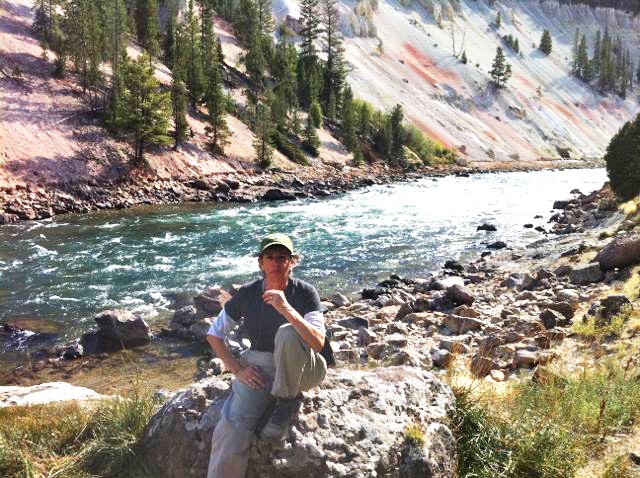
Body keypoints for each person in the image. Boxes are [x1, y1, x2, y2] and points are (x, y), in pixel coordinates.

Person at [206, 233, 327, 478]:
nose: (275, 262)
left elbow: (318, 342)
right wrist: (237, 369)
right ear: (260, 262)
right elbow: (214, 334)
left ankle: (286, 400)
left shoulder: (305, 292)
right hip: (260, 368)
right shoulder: (248, 294)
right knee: (231, 427)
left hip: (304, 367)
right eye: (269, 257)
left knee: (287, 333)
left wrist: (286, 309)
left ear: (292, 262)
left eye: (282, 257)